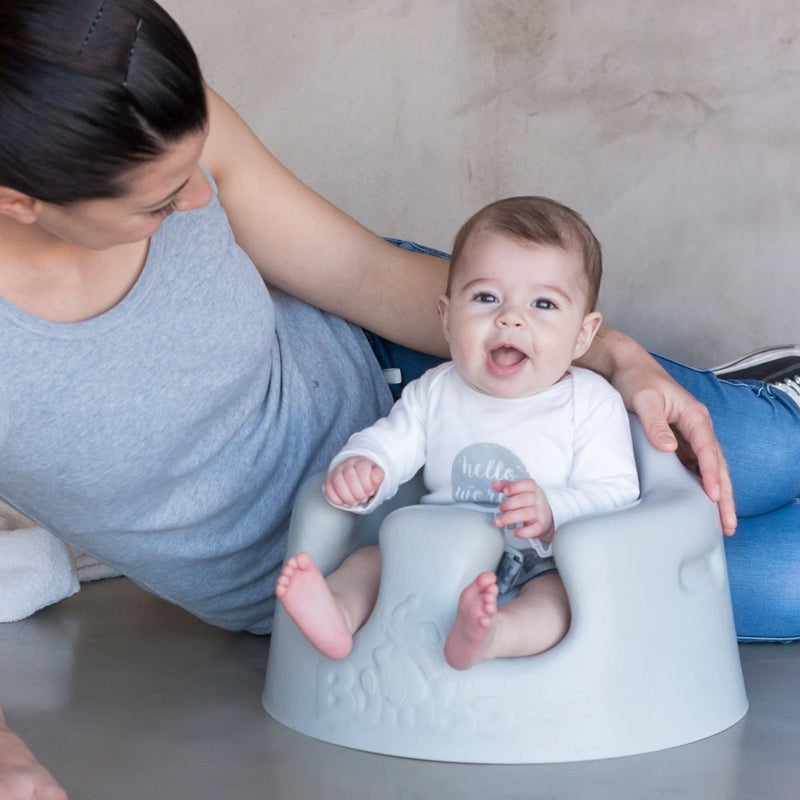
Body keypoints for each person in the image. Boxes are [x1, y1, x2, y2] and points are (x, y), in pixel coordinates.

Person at [0, 0, 795, 797]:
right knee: (787, 583)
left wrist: (617, 358)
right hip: (358, 570)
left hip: (434, 369)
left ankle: (768, 394)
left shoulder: (153, 111)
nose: (199, 205)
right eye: (158, 204)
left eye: (195, 168)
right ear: (17, 200)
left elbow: (363, 274)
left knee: (766, 454)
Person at [276, 196, 641, 668]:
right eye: (486, 298)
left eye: (544, 303)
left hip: (537, 559)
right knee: (369, 561)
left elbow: (617, 491)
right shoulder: (437, 390)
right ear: (448, 318)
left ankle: (494, 634)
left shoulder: (591, 402)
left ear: (583, 335)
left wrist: (554, 510)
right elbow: (394, 440)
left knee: (557, 604)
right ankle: (337, 613)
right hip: (436, 547)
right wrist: (364, 468)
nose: (511, 318)